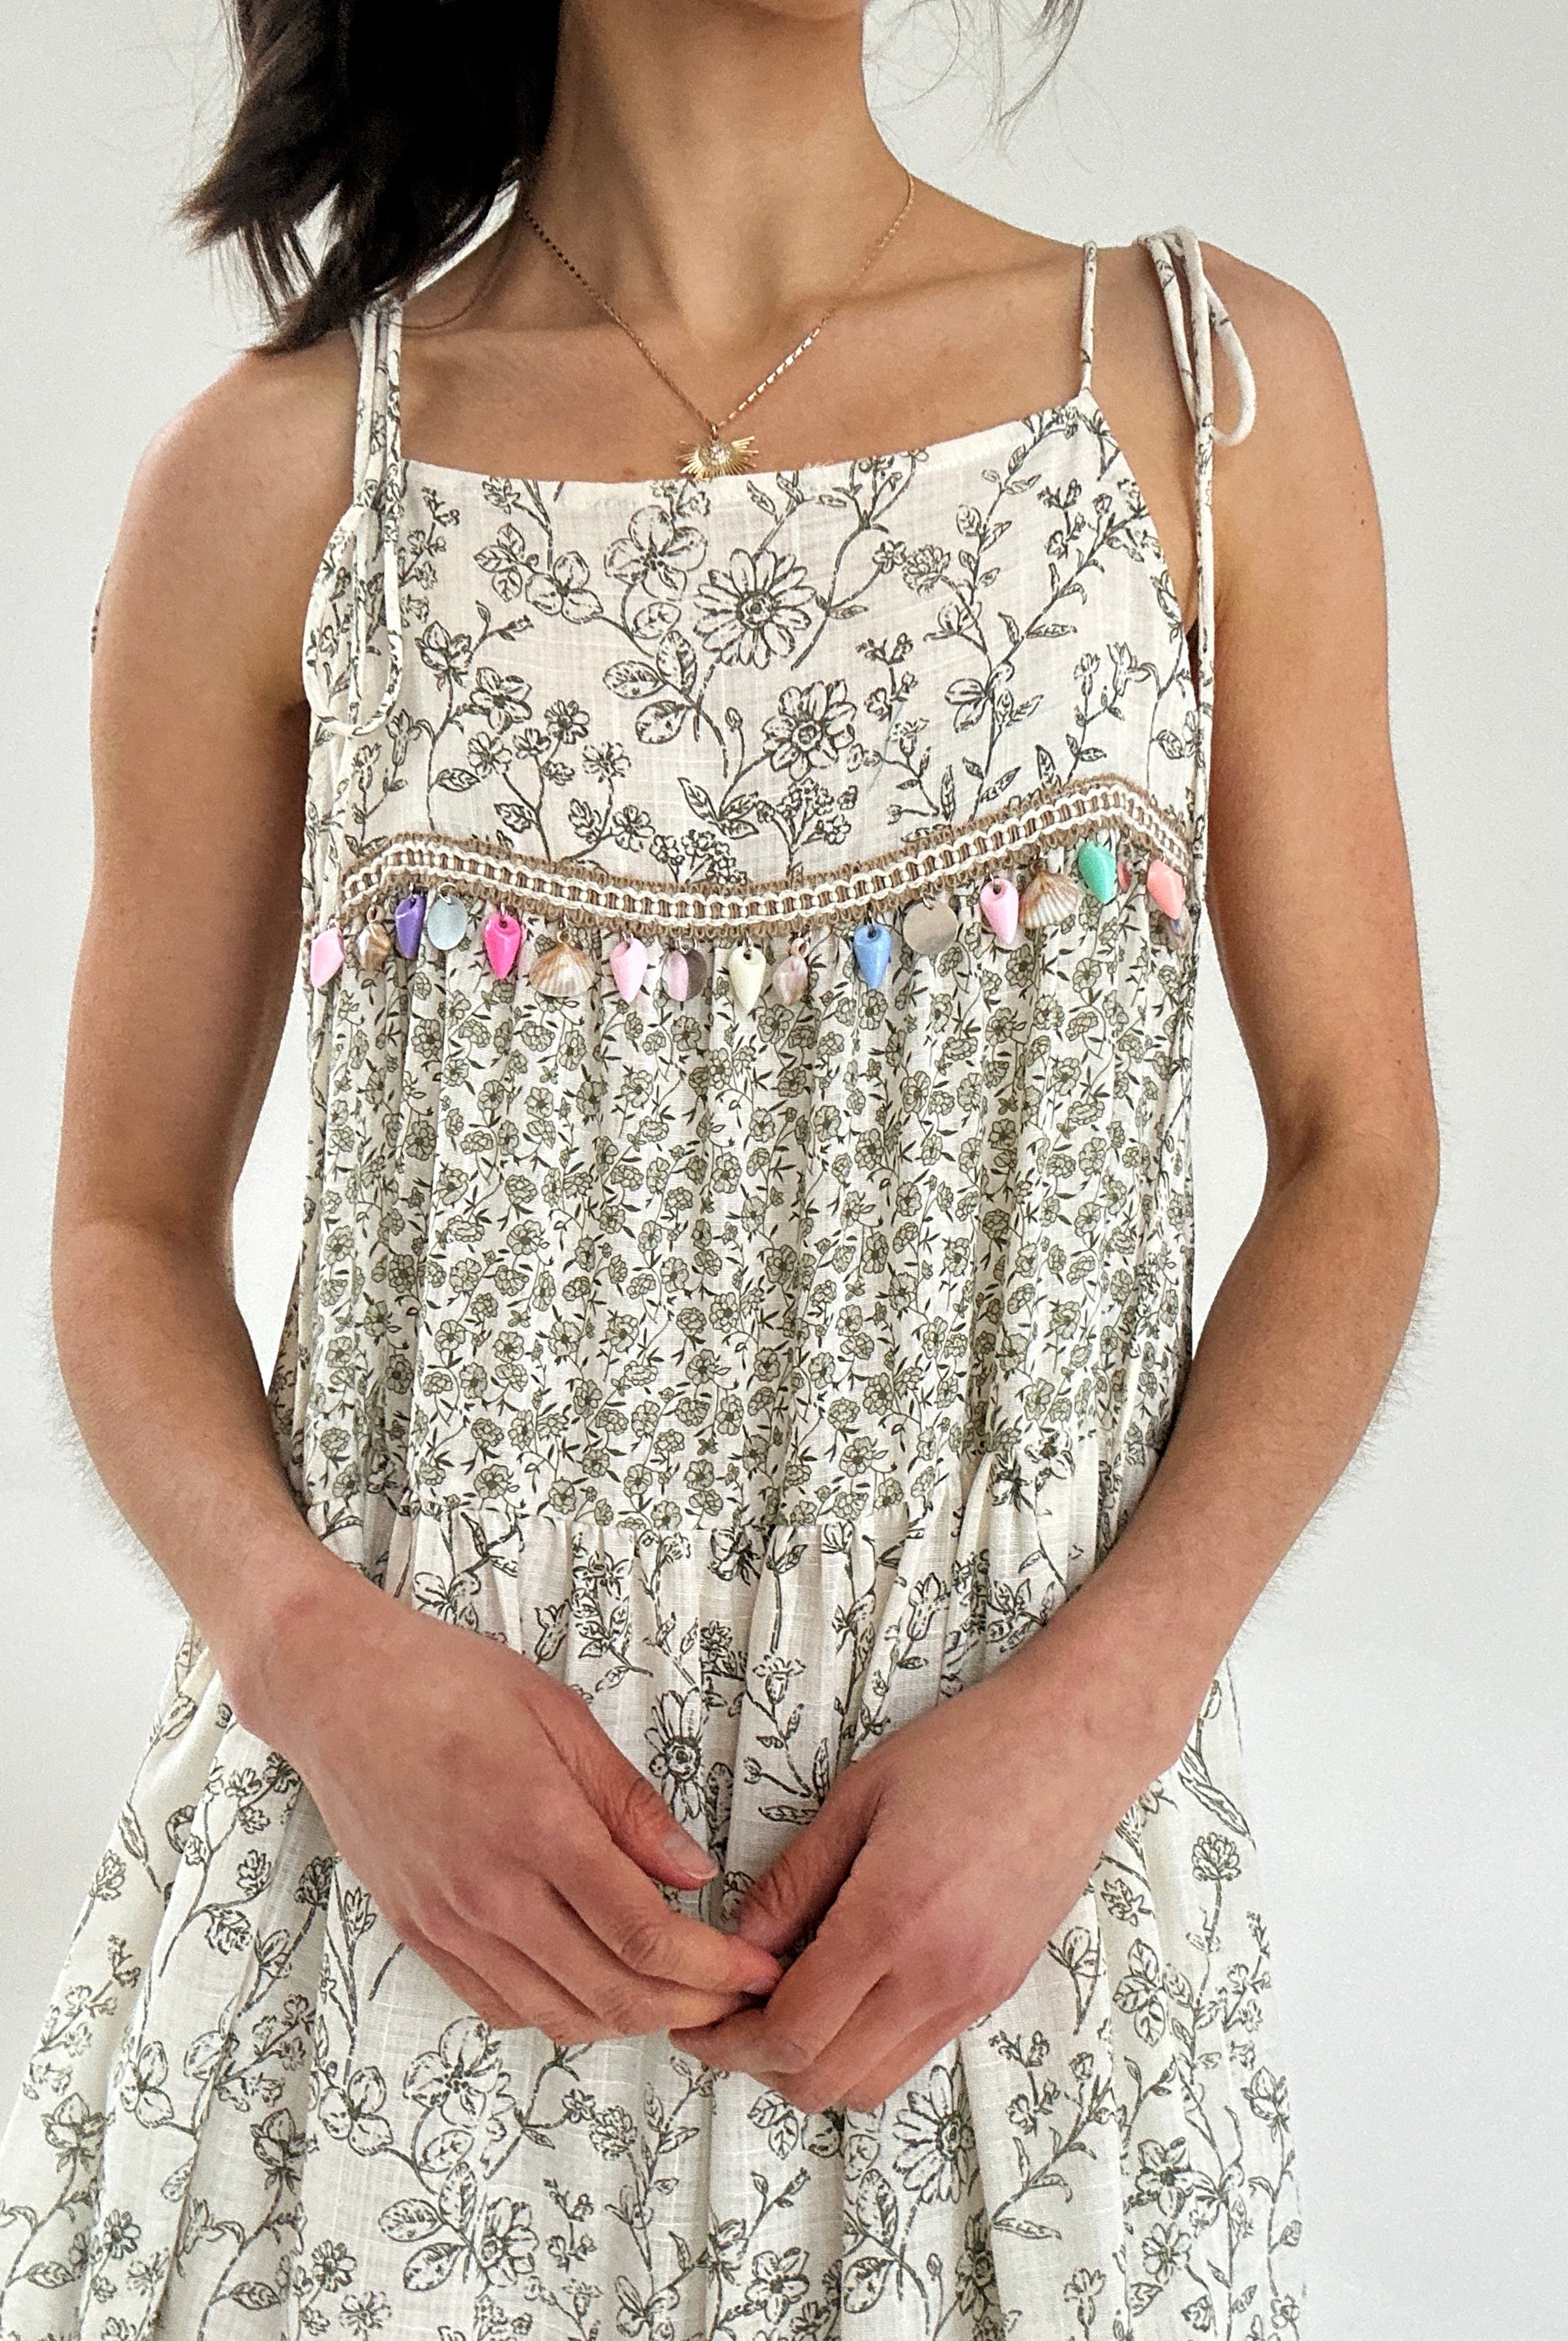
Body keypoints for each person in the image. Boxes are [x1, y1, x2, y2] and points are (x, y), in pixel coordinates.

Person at [0, 0, 1438, 2334]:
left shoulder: (1197, 393)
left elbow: (1358, 1150)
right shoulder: (282, 479)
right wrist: (314, 1667)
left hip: (1003, 1952)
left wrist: (1106, 1706)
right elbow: (119, 1223)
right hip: (384, 1941)